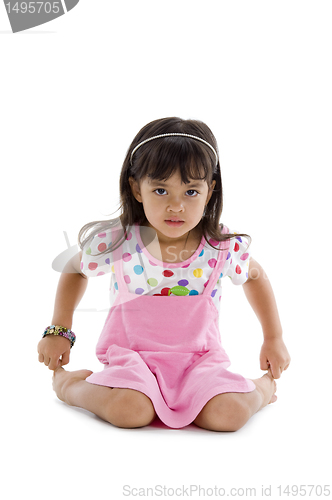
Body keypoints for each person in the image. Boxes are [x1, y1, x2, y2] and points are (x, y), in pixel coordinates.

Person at [38, 117, 291, 431]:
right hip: (133, 358)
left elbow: (254, 277)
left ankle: (263, 390)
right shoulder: (120, 240)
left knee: (229, 414)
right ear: (136, 188)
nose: (176, 206)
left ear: (210, 191)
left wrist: (273, 338)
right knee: (130, 411)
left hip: (200, 360)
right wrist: (59, 329)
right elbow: (76, 269)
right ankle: (68, 386)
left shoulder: (220, 246)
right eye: (161, 190)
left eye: (190, 192)